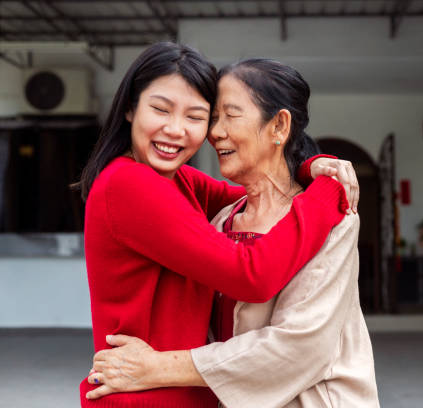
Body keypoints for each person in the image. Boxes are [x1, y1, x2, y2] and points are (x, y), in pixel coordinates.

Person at [77, 43, 359, 408]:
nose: (176, 130)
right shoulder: (129, 185)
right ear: (130, 107)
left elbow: (254, 189)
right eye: (160, 109)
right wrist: (328, 191)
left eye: (197, 117)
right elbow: (250, 276)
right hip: (145, 396)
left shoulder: (177, 182)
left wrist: (310, 167)